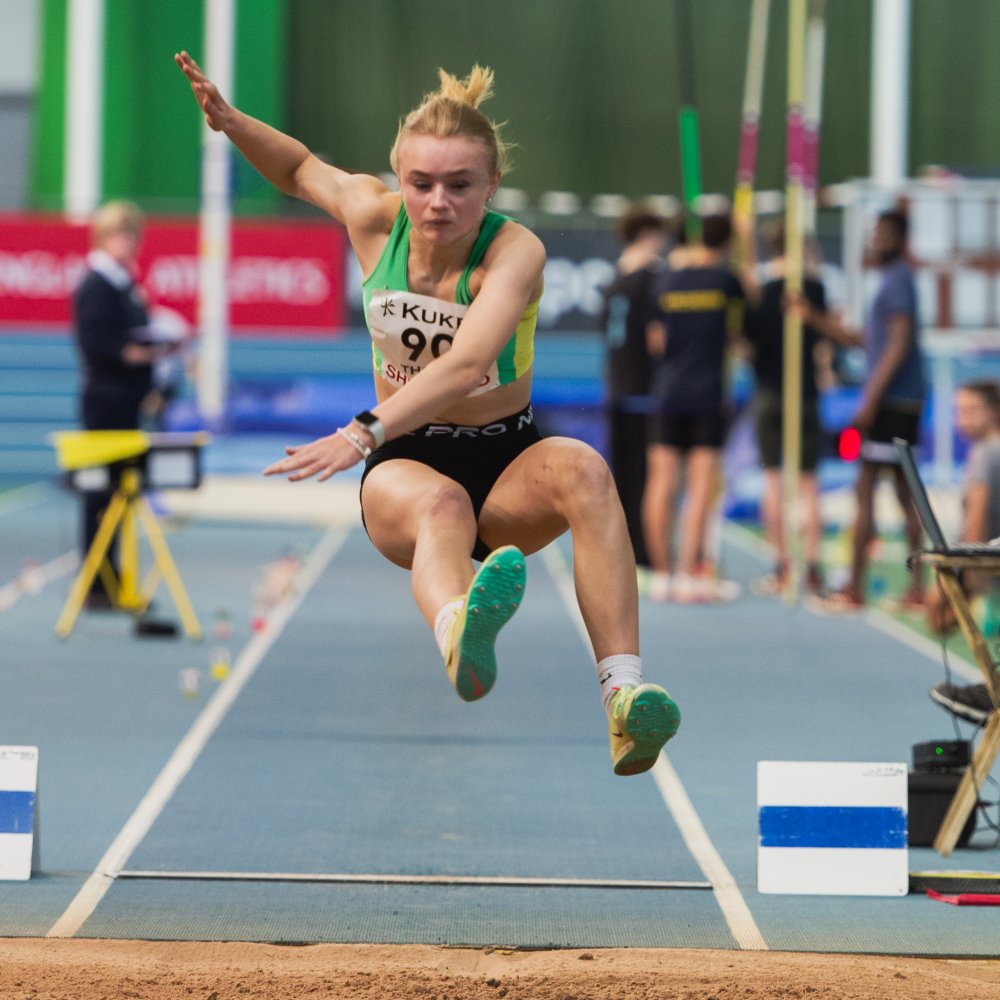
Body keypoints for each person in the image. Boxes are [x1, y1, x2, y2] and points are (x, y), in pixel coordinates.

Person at [175, 52, 680, 775]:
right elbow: (296, 170)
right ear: (398, 179)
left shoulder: (515, 252)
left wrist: (359, 430)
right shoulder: (374, 220)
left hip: (506, 459)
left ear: (492, 185)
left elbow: (470, 363)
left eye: (459, 185)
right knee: (441, 506)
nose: (438, 202)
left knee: (587, 471)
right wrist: (231, 122)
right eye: (421, 183)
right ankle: (458, 630)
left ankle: (624, 701)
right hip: (407, 465)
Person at [794, 209, 927, 612]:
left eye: (884, 234)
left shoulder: (899, 280)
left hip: (893, 403)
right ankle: (916, 587)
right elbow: (868, 341)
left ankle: (856, 587)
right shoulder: (890, 282)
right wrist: (814, 319)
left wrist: (869, 399)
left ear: (901, 239)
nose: (876, 240)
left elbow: (898, 344)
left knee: (869, 487)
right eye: (874, 233)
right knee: (903, 493)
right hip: (896, 400)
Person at [641, 213, 745, 603]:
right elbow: (739, 329)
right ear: (726, 243)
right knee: (700, 486)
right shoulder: (726, 280)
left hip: (668, 392)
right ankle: (688, 574)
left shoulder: (665, 281)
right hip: (708, 394)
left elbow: (656, 343)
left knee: (662, 483)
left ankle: (663, 575)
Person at [72, 200, 162, 610]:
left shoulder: (123, 283)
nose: (128, 243)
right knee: (101, 495)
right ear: (103, 238)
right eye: (120, 234)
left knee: (119, 494)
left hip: (123, 400)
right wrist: (136, 355)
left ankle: (112, 576)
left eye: (132, 235)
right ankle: (96, 582)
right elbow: (97, 344)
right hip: (106, 402)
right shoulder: (96, 283)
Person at [742, 219, 833, 595]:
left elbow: (745, 348)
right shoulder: (813, 288)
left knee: (774, 482)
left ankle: (783, 567)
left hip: (769, 394)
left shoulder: (759, 293)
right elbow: (823, 342)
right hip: (805, 394)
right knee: (810, 486)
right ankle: (810, 567)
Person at [599, 204, 671, 573]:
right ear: (647, 234)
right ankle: (645, 551)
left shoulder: (614, 279)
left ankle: (626, 550)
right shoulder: (651, 277)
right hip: (645, 388)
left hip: (617, 386)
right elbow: (657, 337)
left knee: (625, 474)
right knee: (647, 475)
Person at [926, 379, 1000, 724]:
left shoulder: (987, 452)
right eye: (958, 411)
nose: (963, 419)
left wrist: (968, 577)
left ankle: (992, 694)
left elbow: (978, 515)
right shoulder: (985, 451)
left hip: (988, 570)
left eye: (972, 410)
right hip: (989, 567)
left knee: (938, 616)